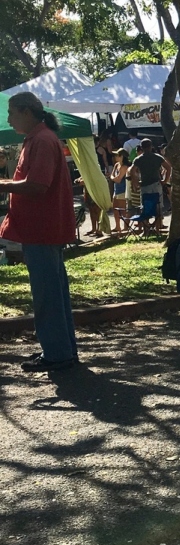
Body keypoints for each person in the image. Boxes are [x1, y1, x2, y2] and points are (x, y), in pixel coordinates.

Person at [0, 93, 79, 371]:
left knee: (47, 295)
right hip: (45, 229)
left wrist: (3, 184)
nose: (9, 119)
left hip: (41, 230)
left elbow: (37, 186)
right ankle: (62, 350)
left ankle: (57, 354)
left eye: (12, 113)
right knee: (55, 293)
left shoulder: (42, 140)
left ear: (26, 112)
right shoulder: (41, 138)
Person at [128, 137, 170, 237]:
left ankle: (146, 230)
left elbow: (131, 171)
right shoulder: (157, 157)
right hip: (156, 184)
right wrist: (165, 180)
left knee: (145, 207)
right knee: (158, 207)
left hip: (144, 185)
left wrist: (136, 182)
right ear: (151, 147)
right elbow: (168, 167)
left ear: (141, 148)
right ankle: (157, 230)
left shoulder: (139, 159)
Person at [111, 149, 131, 232]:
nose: (115, 157)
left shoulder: (124, 167)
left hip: (123, 190)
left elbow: (118, 179)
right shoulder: (116, 165)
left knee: (123, 210)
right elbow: (112, 175)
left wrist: (113, 178)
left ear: (122, 156)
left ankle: (126, 227)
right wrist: (113, 178)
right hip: (116, 190)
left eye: (117, 155)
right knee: (115, 208)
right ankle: (117, 226)